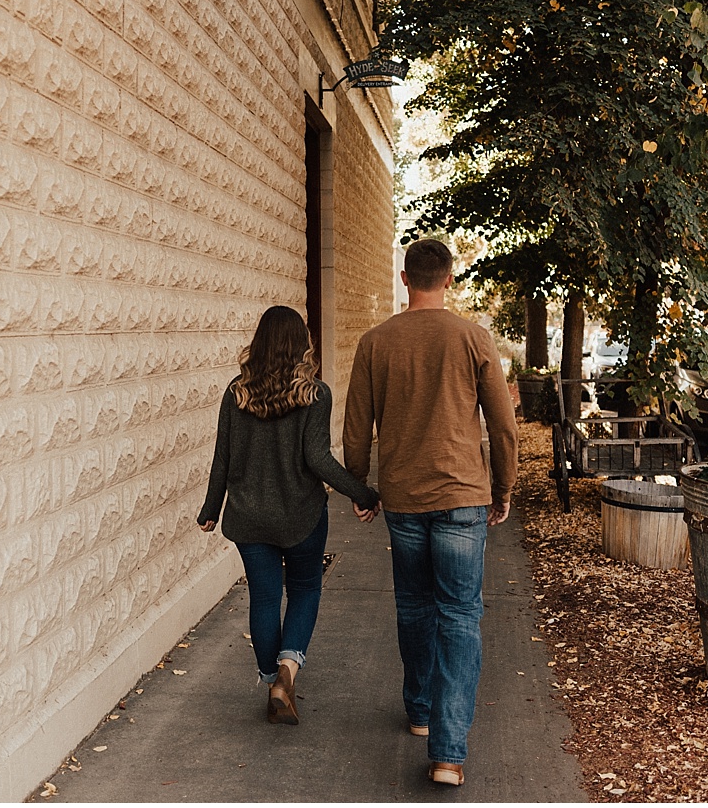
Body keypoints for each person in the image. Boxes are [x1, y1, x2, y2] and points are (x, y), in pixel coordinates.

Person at [343, 237, 519, 787]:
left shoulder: (376, 342)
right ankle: (448, 753)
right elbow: (503, 424)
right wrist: (504, 487)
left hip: (403, 495)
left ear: (404, 278)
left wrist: (359, 487)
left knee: (416, 606)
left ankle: (420, 712)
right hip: (463, 494)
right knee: (460, 615)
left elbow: (357, 423)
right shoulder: (473, 338)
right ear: (448, 279)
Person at [198, 305, 381, 725]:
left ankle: (271, 680)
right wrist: (363, 492)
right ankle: (288, 673)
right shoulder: (315, 394)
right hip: (301, 517)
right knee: (304, 590)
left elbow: (222, 457)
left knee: (263, 597)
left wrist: (211, 509)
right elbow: (318, 459)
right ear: (302, 345)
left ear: (259, 344)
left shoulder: (236, 392)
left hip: (248, 517)